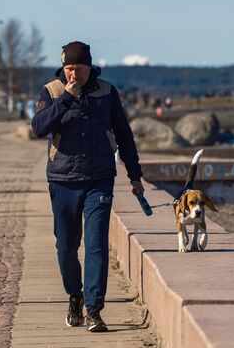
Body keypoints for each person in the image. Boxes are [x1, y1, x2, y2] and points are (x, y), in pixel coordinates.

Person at [32, 41, 144, 333]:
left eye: (78, 69)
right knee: (66, 247)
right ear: (63, 67)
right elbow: (39, 127)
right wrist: (66, 98)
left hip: (99, 179)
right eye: (69, 68)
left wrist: (134, 174)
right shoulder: (52, 91)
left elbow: (123, 133)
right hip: (63, 180)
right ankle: (75, 296)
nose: (73, 74)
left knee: (96, 246)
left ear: (89, 67)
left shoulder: (106, 91)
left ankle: (94, 309)